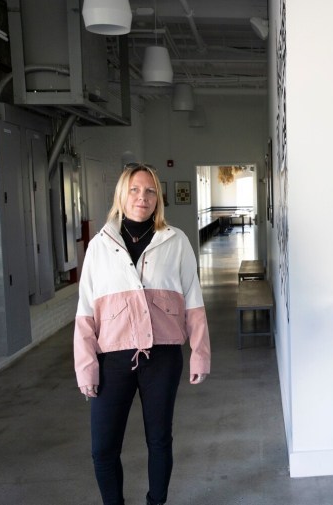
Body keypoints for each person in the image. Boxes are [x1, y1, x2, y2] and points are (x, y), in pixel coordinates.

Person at [74, 163, 211, 505]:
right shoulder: (99, 246)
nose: (142, 197)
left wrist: (200, 351)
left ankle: (156, 502)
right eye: (134, 189)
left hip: (162, 357)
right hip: (112, 360)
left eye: (150, 191)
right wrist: (86, 366)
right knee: (103, 448)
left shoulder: (175, 240)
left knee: (159, 440)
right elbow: (85, 311)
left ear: (158, 198)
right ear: (121, 194)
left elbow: (193, 299)